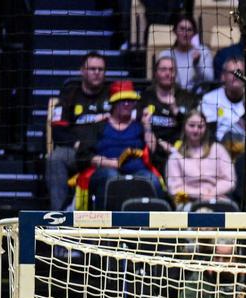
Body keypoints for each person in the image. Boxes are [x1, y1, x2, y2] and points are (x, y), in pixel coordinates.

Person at [75, 80, 163, 207]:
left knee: (152, 180)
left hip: (137, 170)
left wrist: (147, 126)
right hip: (106, 170)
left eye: (130, 100)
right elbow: (83, 156)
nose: (127, 104)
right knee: (112, 178)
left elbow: (152, 151)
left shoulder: (140, 126)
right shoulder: (99, 126)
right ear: (113, 103)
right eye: (122, 100)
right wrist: (109, 163)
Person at [46, 51, 110, 210]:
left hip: (106, 150)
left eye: (100, 69)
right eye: (92, 69)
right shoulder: (69, 95)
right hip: (76, 152)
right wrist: (77, 144)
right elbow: (57, 131)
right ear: (82, 71)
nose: (97, 72)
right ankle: (58, 215)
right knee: (55, 159)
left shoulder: (113, 95)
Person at [166, 110, 235, 207]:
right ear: (184, 127)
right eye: (192, 125)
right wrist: (201, 194)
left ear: (206, 128)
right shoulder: (175, 157)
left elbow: (229, 180)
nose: (196, 130)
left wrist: (211, 194)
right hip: (187, 202)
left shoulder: (218, 150)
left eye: (200, 126)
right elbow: (174, 189)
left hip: (217, 198)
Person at [139, 55, 195, 171]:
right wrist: (158, 142)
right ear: (155, 73)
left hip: (180, 151)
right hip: (152, 150)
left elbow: (194, 126)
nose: (168, 73)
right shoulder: (145, 97)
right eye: (163, 69)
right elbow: (137, 126)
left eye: (171, 70)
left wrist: (176, 111)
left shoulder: (187, 98)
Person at [156, 15, 213, 92]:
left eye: (189, 30)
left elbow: (210, 80)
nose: (185, 34)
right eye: (182, 29)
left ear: (194, 33)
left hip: (196, 96)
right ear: (175, 31)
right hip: (172, 95)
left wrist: (197, 65)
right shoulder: (165, 55)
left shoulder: (203, 51)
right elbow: (159, 80)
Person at [200, 56, 246, 142]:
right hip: (218, 145)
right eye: (232, 72)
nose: (236, 76)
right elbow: (209, 134)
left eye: (240, 72)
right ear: (223, 76)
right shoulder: (209, 99)